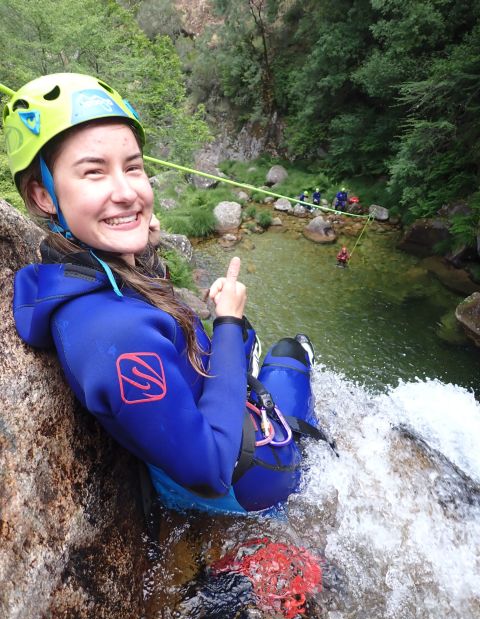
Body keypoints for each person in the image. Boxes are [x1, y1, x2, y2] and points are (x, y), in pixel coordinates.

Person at [6, 72, 323, 516]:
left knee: (249, 343)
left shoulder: (71, 274)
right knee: (291, 352)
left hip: (191, 434)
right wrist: (227, 321)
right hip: (249, 477)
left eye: (133, 167)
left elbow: (129, 299)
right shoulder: (119, 338)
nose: (128, 191)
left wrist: (144, 250)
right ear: (43, 195)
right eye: (94, 172)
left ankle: (244, 354)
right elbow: (213, 470)